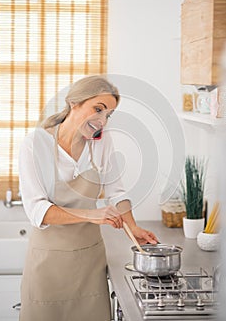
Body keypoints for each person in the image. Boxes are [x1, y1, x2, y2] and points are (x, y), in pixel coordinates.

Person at [18, 75, 158, 321]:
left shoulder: (100, 143)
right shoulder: (34, 144)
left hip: (89, 262)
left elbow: (116, 190)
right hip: (48, 263)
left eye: (108, 115)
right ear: (74, 103)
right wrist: (93, 214)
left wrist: (132, 227)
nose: (102, 121)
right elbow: (37, 210)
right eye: (98, 109)